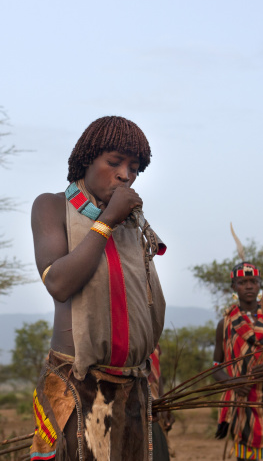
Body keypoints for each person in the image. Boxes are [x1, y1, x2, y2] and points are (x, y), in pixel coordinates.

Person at [30, 116, 167, 461]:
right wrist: (106, 221)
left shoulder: (131, 224)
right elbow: (59, 283)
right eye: (114, 162)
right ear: (86, 159)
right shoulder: (52, 206)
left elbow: (141, 308)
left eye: (134, 168)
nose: (125, 174)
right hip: (78, 387)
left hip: (134, 389)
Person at [212, 262, 263, 461]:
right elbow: (216, 367)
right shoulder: (225, 324)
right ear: (233, 286)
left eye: (253, 281)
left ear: (260, 285)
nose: (249, 286)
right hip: (243, 409)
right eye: (242, 282)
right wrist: (233, 383)